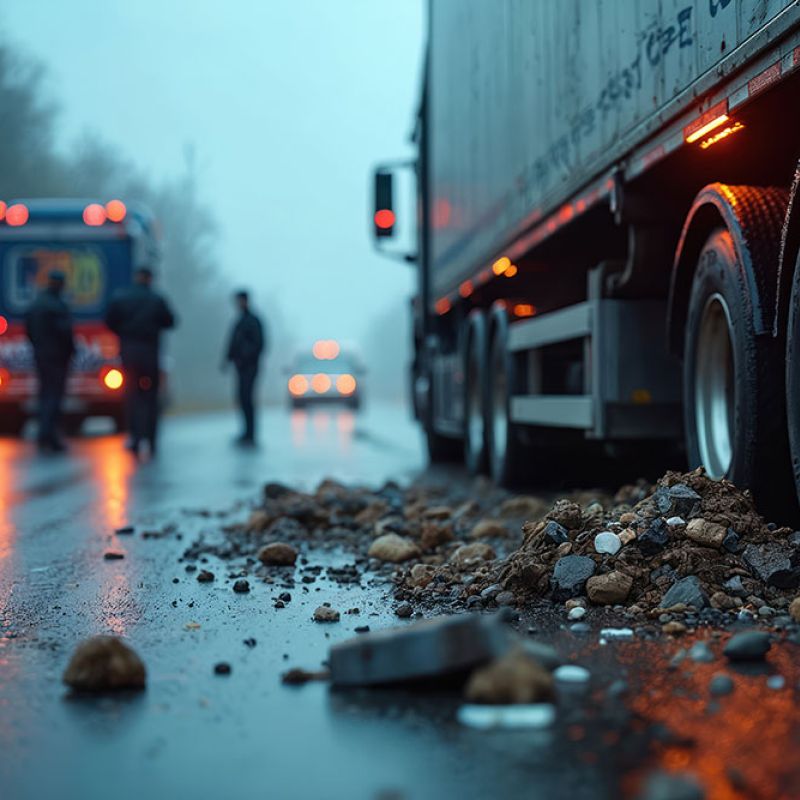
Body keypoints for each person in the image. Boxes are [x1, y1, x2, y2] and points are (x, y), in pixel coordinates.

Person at [105, 267, 176, 457]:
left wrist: (124, 334)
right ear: (150, 279)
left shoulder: (121, 298)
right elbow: (171, 321)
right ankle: (151, 440)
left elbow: (109, 321)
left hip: (129, 355)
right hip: (150, 355)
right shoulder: (157, 299)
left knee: (131, 397)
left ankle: (135, 439)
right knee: (151, 398)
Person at [25, 270, 75, 452]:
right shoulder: (57, 306)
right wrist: (70, 351)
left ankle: (44, 434)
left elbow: (29, 329)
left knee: (44, 394)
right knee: (54, 397)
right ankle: (49, 435)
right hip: (57, 357)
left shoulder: (37, 303)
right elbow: (65, 334)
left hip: (41, 355)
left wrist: (38, 345)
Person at [223, 290, 265, 445]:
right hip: (240, 366)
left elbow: (259, 344)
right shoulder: (239, 321)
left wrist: (246, 357)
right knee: (242, 398)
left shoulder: (253, 321)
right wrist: (228, 359)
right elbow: (232, 343)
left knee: (248, 398)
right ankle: (246, 432)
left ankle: (251, 433)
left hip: (250, 367)